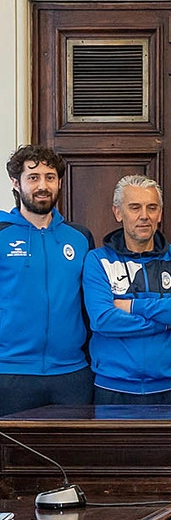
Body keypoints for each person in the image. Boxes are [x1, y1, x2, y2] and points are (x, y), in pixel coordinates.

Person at [83, 175, 171, 405]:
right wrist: (167, 319)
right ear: (118, 213)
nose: (144, 216)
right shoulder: (97, 260)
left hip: (170, 387)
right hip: (112, 388)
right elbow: (103, 319)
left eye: (152, 207)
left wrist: (131, 306)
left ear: (160, 213)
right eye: (134, 207)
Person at [0, 146, 94, 415]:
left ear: (60, 182)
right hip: (9, 373)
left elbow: (88, 304)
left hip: (71, 375)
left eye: (50, 177)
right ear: (16, 183)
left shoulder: (80, 237)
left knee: (69, 457)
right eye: (33, 177)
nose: (43, 185)